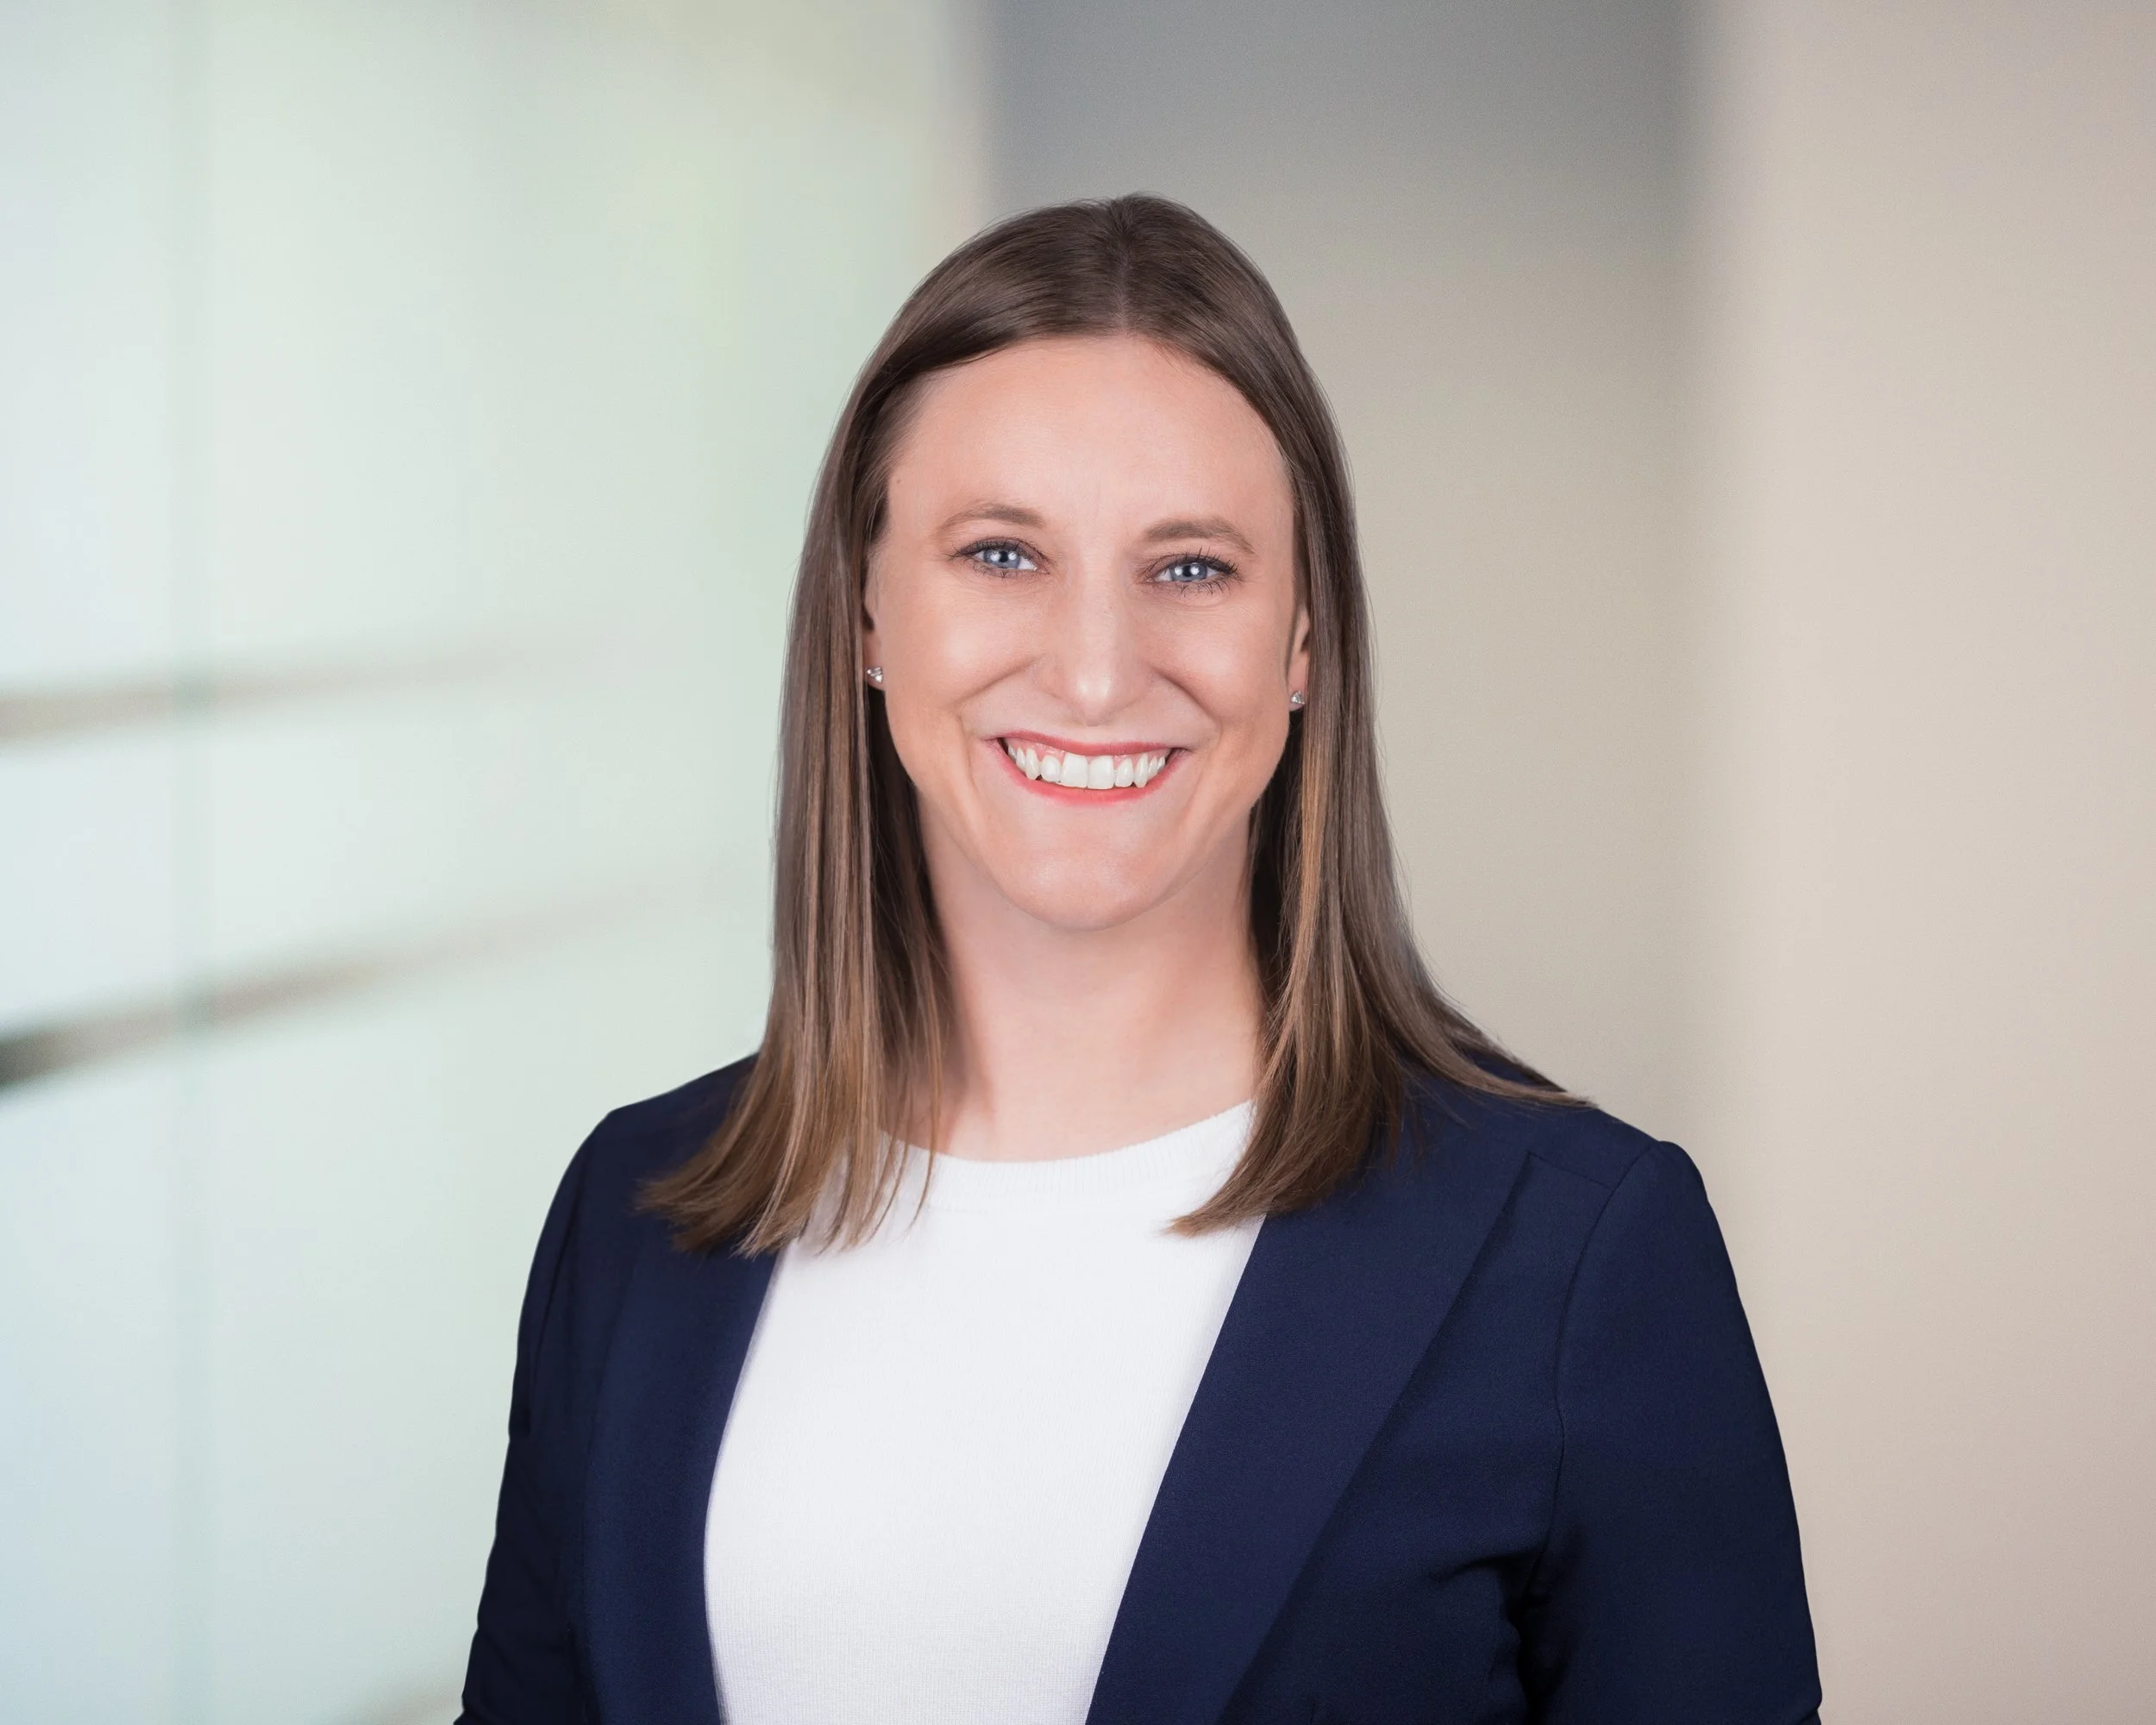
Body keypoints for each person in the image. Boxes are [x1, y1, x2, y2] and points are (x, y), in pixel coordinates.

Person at [457, 195, 1821, 1725]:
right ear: (866, 617)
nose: (1097, 673)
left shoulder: (1579, 1258)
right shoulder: (639, 1221)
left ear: (1303, 642)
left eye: (1190, 570)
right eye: (998, 553)